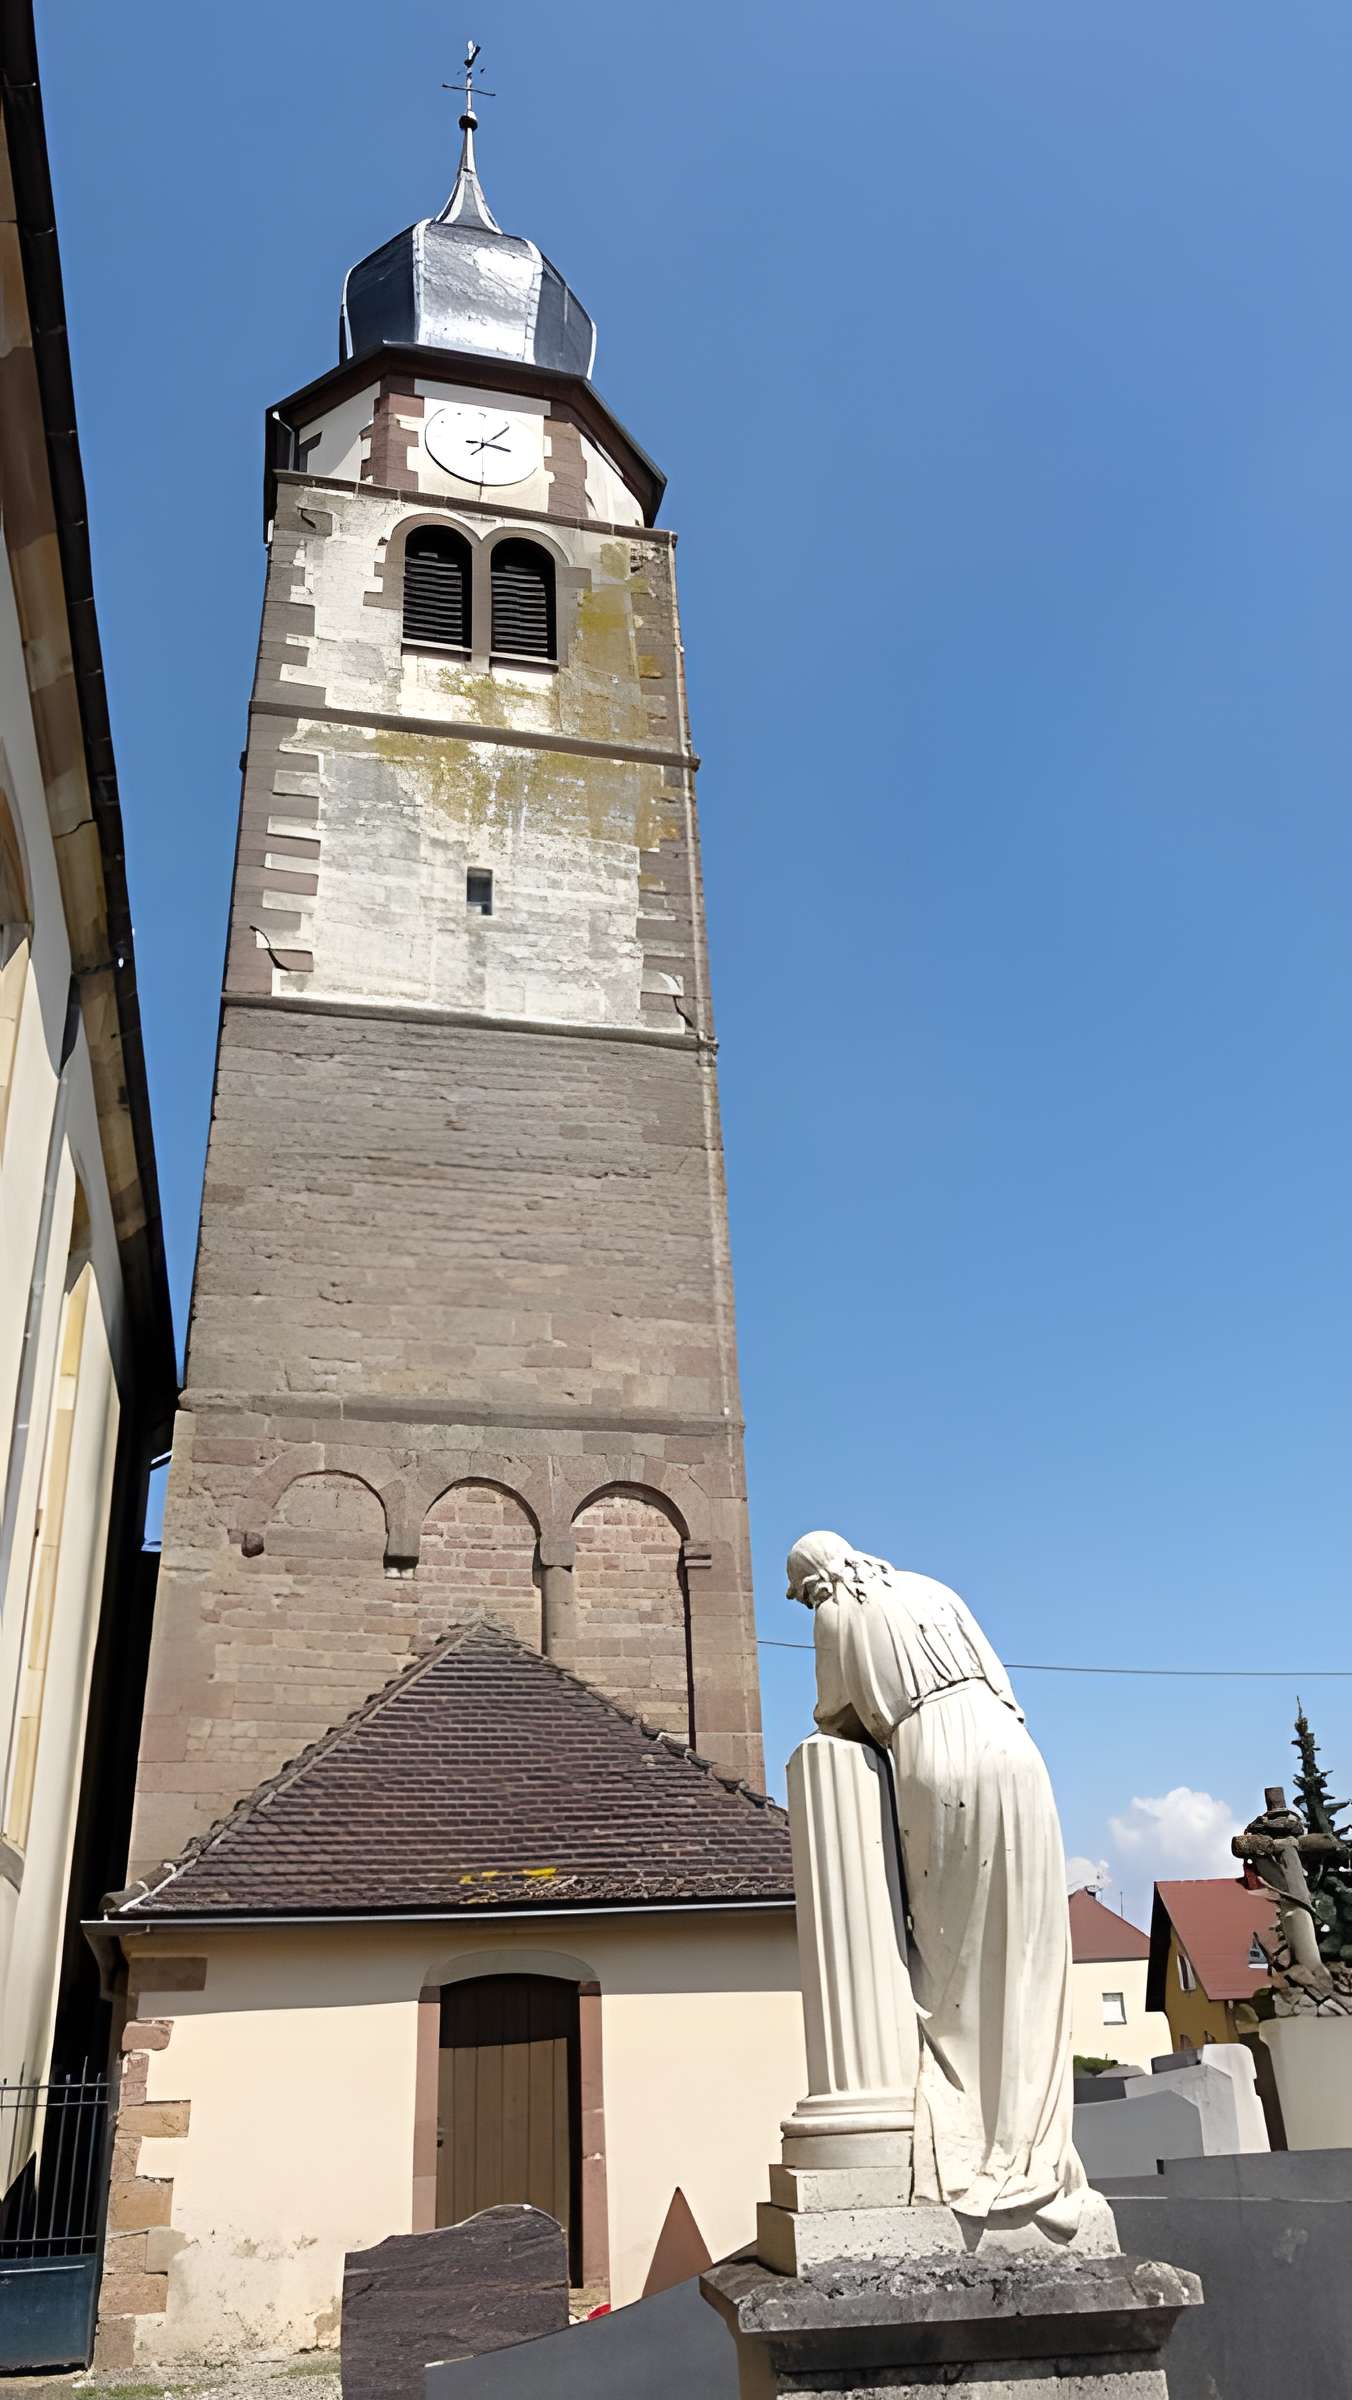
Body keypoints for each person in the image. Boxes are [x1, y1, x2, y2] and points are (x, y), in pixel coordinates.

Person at [787, 1530, 1087, 2237]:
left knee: (955, 1964)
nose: (809, 1606)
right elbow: (1002, 1682)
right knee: (1030, 1953)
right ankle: (1040, 2140)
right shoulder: (936, 1590)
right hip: (1016, 1755)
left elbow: (838, 1715)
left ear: (817, 1581)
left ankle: (985, 2138)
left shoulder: (840, 1611)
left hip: (939, 1761)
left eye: (803, 1596)